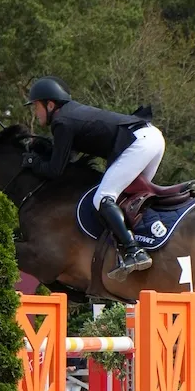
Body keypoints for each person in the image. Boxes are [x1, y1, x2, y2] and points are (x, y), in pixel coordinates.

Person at [22, 76, 162, 281]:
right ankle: (149, 237)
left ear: (50, 105)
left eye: (36, 107)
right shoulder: (70, 116)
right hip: (151, 138)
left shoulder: (61, 122)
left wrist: (33, 163)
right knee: (128, 199)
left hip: (139, 143)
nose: (36, 112)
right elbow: (64, 157)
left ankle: (135, 251)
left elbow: (55, 170)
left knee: (103, 197)